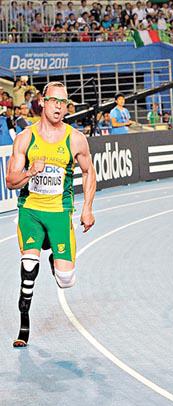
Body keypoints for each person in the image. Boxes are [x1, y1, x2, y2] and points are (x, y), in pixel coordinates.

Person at [5, 81, 96, 348]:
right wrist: (30, 172)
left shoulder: (75, 139)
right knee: (28, 268)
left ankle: (55, 259)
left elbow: (89, 171)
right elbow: (11, 181)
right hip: (31, 212)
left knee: (66, 280)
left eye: (63, 103)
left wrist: (87, 208)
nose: (59, 107)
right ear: (43, 102)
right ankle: (24, 327)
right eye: (54, 101)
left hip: (59, 213)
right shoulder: (26, 138)